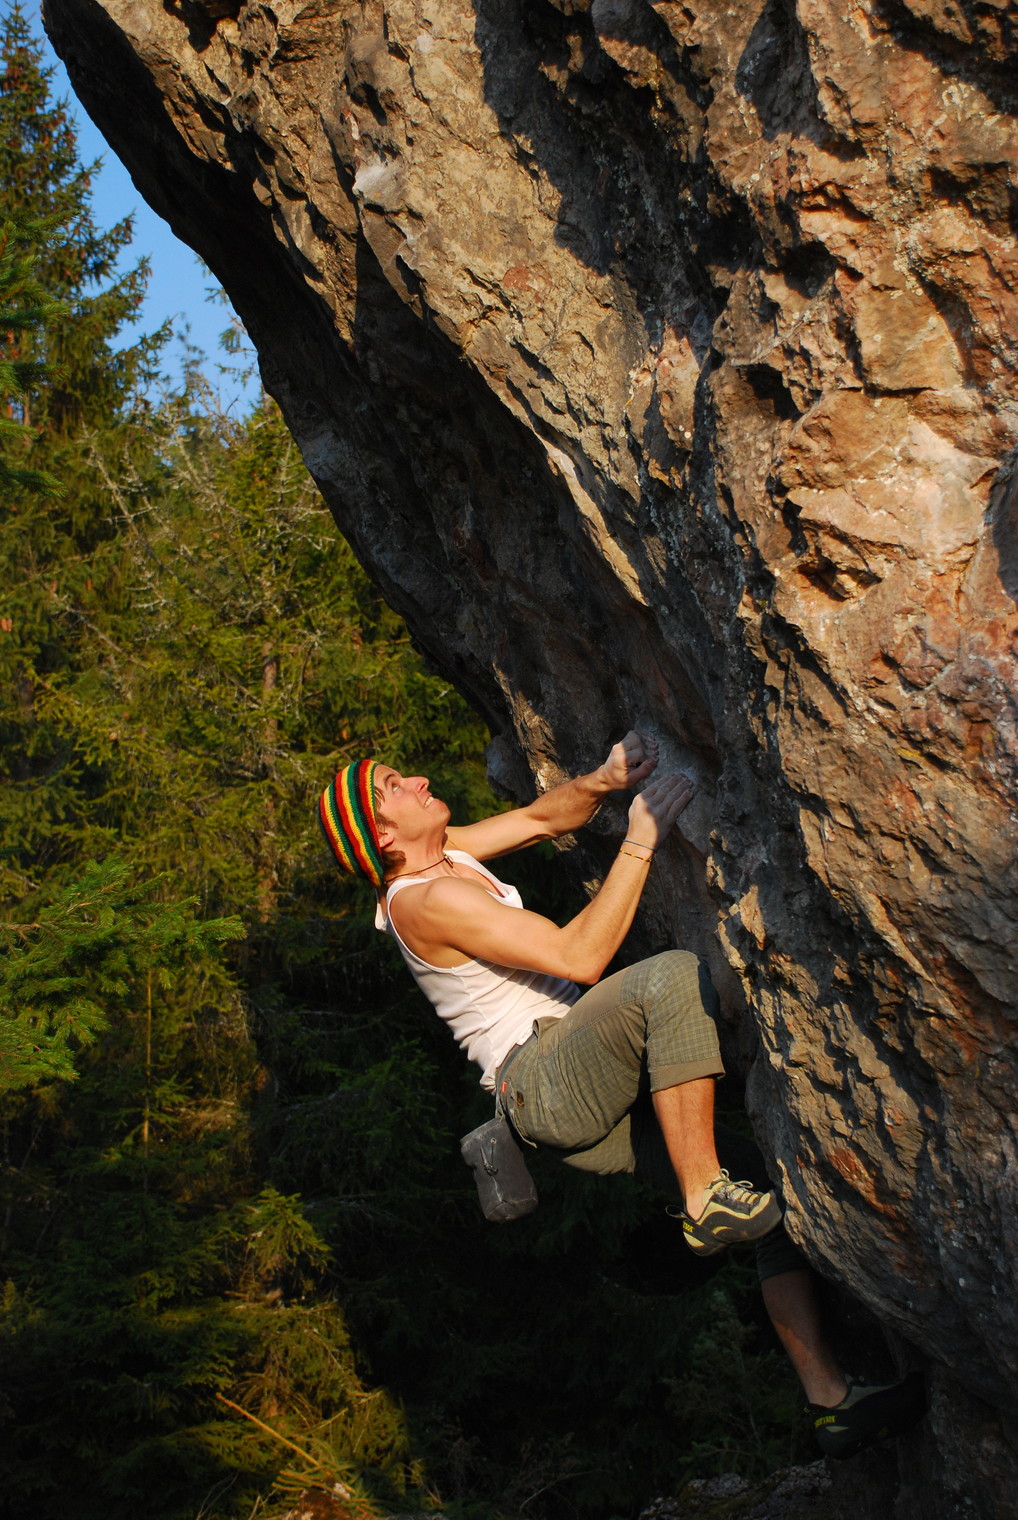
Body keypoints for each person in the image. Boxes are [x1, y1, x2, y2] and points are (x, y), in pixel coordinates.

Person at [317, 732, 925, 1459]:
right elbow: (579, 956)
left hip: (568, 1092)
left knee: (770, 1197)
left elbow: (539, 818)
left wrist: (604, 779)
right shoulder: (427, 899)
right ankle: (703, 1196)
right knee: (670, 976)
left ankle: (831, 1403)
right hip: (545, 1079)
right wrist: (641, 838)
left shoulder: (445, 856)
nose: (417, 779)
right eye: (395, 786)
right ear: (383, 834)